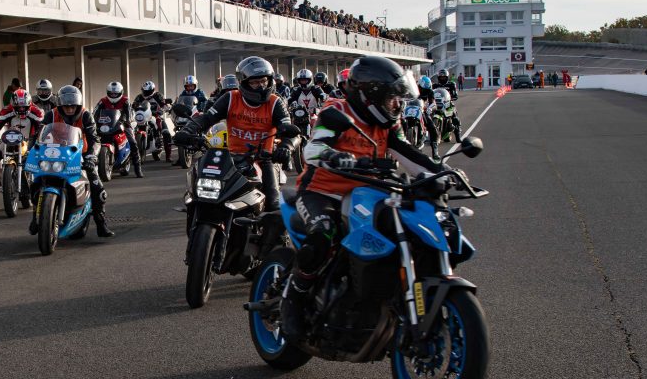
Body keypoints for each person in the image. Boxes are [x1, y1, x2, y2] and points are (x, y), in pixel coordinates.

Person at [279, 56, 444, 341]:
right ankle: (293, 299)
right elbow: (312, 150)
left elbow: (409, 154)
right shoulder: (336, 111)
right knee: (323, 233)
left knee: (406, 225)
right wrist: (336, 157)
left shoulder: (387, 124)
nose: (398, 104)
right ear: (372, 94)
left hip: (368, 193)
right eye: (393, 98)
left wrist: (442, 173)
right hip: (322, 192)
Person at [175, 56, 299, 212]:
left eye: (263, 81)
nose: (260, 86)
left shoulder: (275, 103)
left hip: (264, 159)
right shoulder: (231, 98)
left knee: (273, 206)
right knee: (201, 196)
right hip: (230, 157)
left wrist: (286, 147)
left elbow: (289, 129)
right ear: (244, 82)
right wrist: (187, 130)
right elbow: (207, 118)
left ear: (270, 81)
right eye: (254, 82)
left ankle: (280, 236)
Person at [35, 85, 114, 238]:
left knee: (98, 190)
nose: (70, 109)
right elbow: (39, 135)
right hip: (54, 155)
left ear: (78, 105)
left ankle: (101, 222)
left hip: (81, 156)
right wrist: (33, 152)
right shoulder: (51, 115)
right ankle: (36, 218)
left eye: (73, 106)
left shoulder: (85, 115)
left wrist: (92, 155)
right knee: (37, 182)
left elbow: (95, 139)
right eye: (66, 106)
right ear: (60, 105)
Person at [0, 88, 44, 192]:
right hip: (10, 140)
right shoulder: (7, 110)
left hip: (29, 141)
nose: (21, 109)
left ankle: (41, 185)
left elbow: (43, 126)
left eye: (23, 106)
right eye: (18, 107)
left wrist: (40, 138)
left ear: (29, 104)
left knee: (42, 161)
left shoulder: (37, 111)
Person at [93, 81, 143, 178]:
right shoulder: (103, 101)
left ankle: (138, 168)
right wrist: (92, 120)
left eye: (116, 93)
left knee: (133, 143)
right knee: (92, 140)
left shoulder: (125, 100)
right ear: (108, 92)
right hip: (106, 124)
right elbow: (95, 112)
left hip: (122, 124)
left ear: (120, 92)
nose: (113, 95)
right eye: (111, 93)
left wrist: (127, 120)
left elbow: (130, 112)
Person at [132, 80, 172, 162]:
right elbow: (133, 105)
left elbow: (165, 105)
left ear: (152, 90)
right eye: (144, 91)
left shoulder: (158, 95)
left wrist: (162, 110)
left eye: (148, 91)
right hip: (142, 117)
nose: (146, 93)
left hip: (155, 116)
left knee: (166, 133)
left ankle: (168, 156)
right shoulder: (139, 97)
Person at [417, 75, 441, 160]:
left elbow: (433, 103)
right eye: (422, 88)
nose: (423, 91)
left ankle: (435, 151)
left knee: (432, 127)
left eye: (426, 89)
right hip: (410, 111)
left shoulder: (430, 92)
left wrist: (430, 108)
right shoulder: (413, 89)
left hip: (422, 111)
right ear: (419, 85)